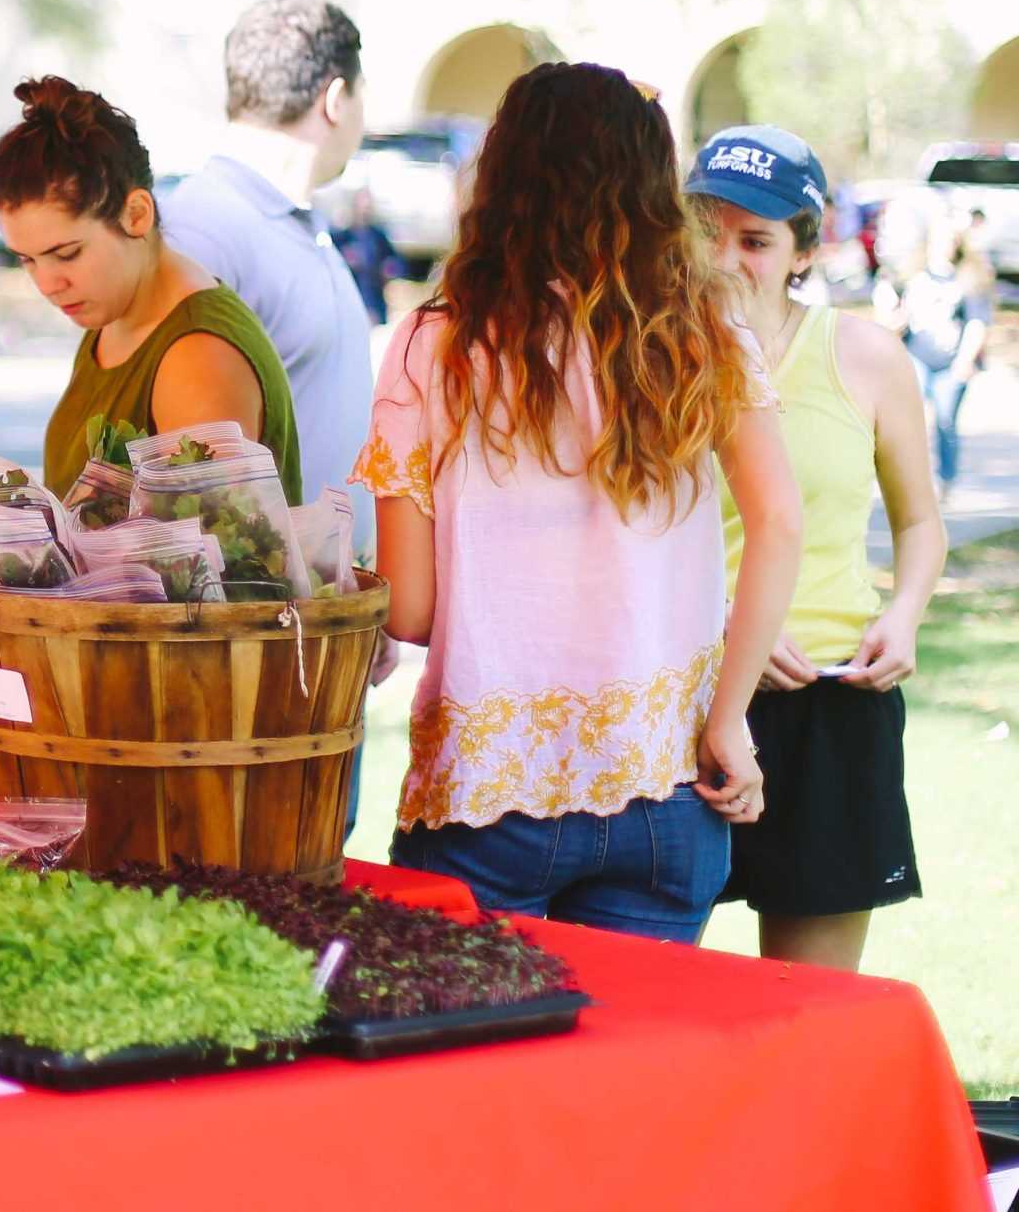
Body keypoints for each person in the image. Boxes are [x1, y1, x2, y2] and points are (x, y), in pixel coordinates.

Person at [359, 64, 801, 944]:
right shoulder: (704, 334)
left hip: (486, 791)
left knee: (484, 1075)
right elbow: (781, 525)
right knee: (639, 1076)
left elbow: (408, 611)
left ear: (501, 179)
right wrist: (729, 721)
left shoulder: (430, 345)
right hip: (667, 780)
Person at [690, 124, 938, 972]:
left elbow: (918, 523)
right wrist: (730, 626)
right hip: (682, 696)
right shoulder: (649, 358)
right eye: (707, 230)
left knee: (807, 1009)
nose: (725, 258)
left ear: (806, 247)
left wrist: (903, 615)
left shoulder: (866, 356)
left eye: (755, 240)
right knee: (644, 995)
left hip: (830, 703)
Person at [0, 76, 300, 502]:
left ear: (136, 214)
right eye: (27, 259)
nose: (47, 284)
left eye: (67, 254)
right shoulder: (114, 313)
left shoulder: (197, 357)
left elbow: (209, 561)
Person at [162, 0, 374, 546]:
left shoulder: (295, 218)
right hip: (270, 619)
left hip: (332, 617)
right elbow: (179, 474)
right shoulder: (203, 229)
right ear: (336, 99)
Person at [896, 207, 992, 494]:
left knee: (946, 421)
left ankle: (945, 478)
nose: (945, 246)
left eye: (951, 240)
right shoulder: (912, 276)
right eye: (940, 240)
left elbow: (976, 322)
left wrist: (966, 359)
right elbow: (893, 310)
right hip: (916, 355)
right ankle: (909, 476)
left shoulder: (968, 280)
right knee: (910, 418)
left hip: (951, 361)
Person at [330, 187, 407, 324]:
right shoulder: (341, 237)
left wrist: (389, 270)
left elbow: (397, 265)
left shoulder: (379, 237)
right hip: (350, 301)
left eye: (368, 206)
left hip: (375, 301)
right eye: (362, 205)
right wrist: (345, 261)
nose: (365, 209)